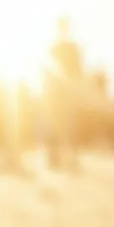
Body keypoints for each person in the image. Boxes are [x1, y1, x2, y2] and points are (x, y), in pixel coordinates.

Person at [45, 18, 84, 170]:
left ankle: (70, 157)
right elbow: (47, 67)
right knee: (56, 123)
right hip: (55, 89)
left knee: (69, 122)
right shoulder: (54, 47)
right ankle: (54, 157)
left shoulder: (72, 47)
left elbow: (78, 69)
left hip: (67, 89)